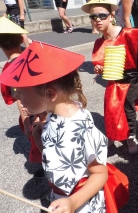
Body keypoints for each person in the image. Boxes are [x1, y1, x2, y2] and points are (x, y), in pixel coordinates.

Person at [0, 40, 108, 213]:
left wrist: (73, 202)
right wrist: (38, 139)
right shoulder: (52, 116)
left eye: (20, 92)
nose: (17, 99)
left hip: (82, 203)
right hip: (60, 197)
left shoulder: (81, 129)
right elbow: (57, 154)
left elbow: (100, 174)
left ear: (49, 94)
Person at [82, 0, 138, 155]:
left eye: (102, 15)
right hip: (113, 81)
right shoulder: (99, 42)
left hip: (130, 78)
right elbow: (105, 65)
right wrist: (100, 69)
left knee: (128, 108)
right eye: (93, 16)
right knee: (111, 107)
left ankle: (131, 136)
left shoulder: (127, 34)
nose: (97, 20)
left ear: (111, 16)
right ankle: (113, 134)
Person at [0, 17, 44, 175]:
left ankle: (47, 170)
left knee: (39, 141)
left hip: (33, 112)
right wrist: (27, 42)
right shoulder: (31, 59)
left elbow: (19, 98)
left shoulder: (10, 67)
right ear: (20, 38)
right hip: (44, 108)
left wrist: (26, 122)